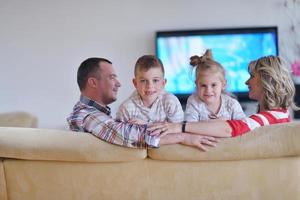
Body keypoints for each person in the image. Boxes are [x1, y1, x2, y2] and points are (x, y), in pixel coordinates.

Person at [67, 57, 217, 150]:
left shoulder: (94, 114)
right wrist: (184, 137)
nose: (119, 83)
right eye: (112, 77)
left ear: (164, 83)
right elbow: (126, 135)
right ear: (93, 82)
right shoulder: (86, 115)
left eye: (155, 80)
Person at [148, 55, 299, 137]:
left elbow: (232, 128)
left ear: (266, 81)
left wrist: (178, 127)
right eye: (203, 85)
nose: (247, 81)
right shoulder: (279, 114)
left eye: (252, 76)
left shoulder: (271, 117)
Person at [116, 55, 183, 124]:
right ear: (135, 83)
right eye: (143, 81)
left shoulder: (171, 102)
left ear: (163, 83)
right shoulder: (126, 109)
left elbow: (179, 131)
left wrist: (145, 126)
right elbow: (118, 134)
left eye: (155, 80)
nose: (149, 86)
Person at [185, 49, 246, 121]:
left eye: (213, 85)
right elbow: (189, 127)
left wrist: (225, 123)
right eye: (203, 85)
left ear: (223, 84)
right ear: (196, 84)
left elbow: (243, 126)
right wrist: (213, 125)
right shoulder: (194, 102)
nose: (208, 90)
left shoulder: (232, 104)